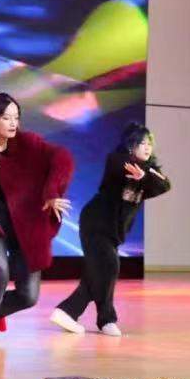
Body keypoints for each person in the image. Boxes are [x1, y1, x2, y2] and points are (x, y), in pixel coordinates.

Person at [0, 93, 74, 355]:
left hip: (25, 225)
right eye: (6, 118)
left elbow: (63, 157)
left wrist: (52, 191)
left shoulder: (29, 143)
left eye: (16, 117)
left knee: (28, 296)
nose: (13, 123)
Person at [51, 122, 170, 337]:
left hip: (114, 231)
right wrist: (144, 174)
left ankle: (70, 313)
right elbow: (121, 166)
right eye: (142, 143)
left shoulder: (149, 174)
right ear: (131, 145)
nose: (147, 147)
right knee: (109, 266)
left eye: (149, 144)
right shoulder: (117, 159)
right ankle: (104, 319)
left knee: (98, 272)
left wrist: (144, 177)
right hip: (96, 223)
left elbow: (165, 185)